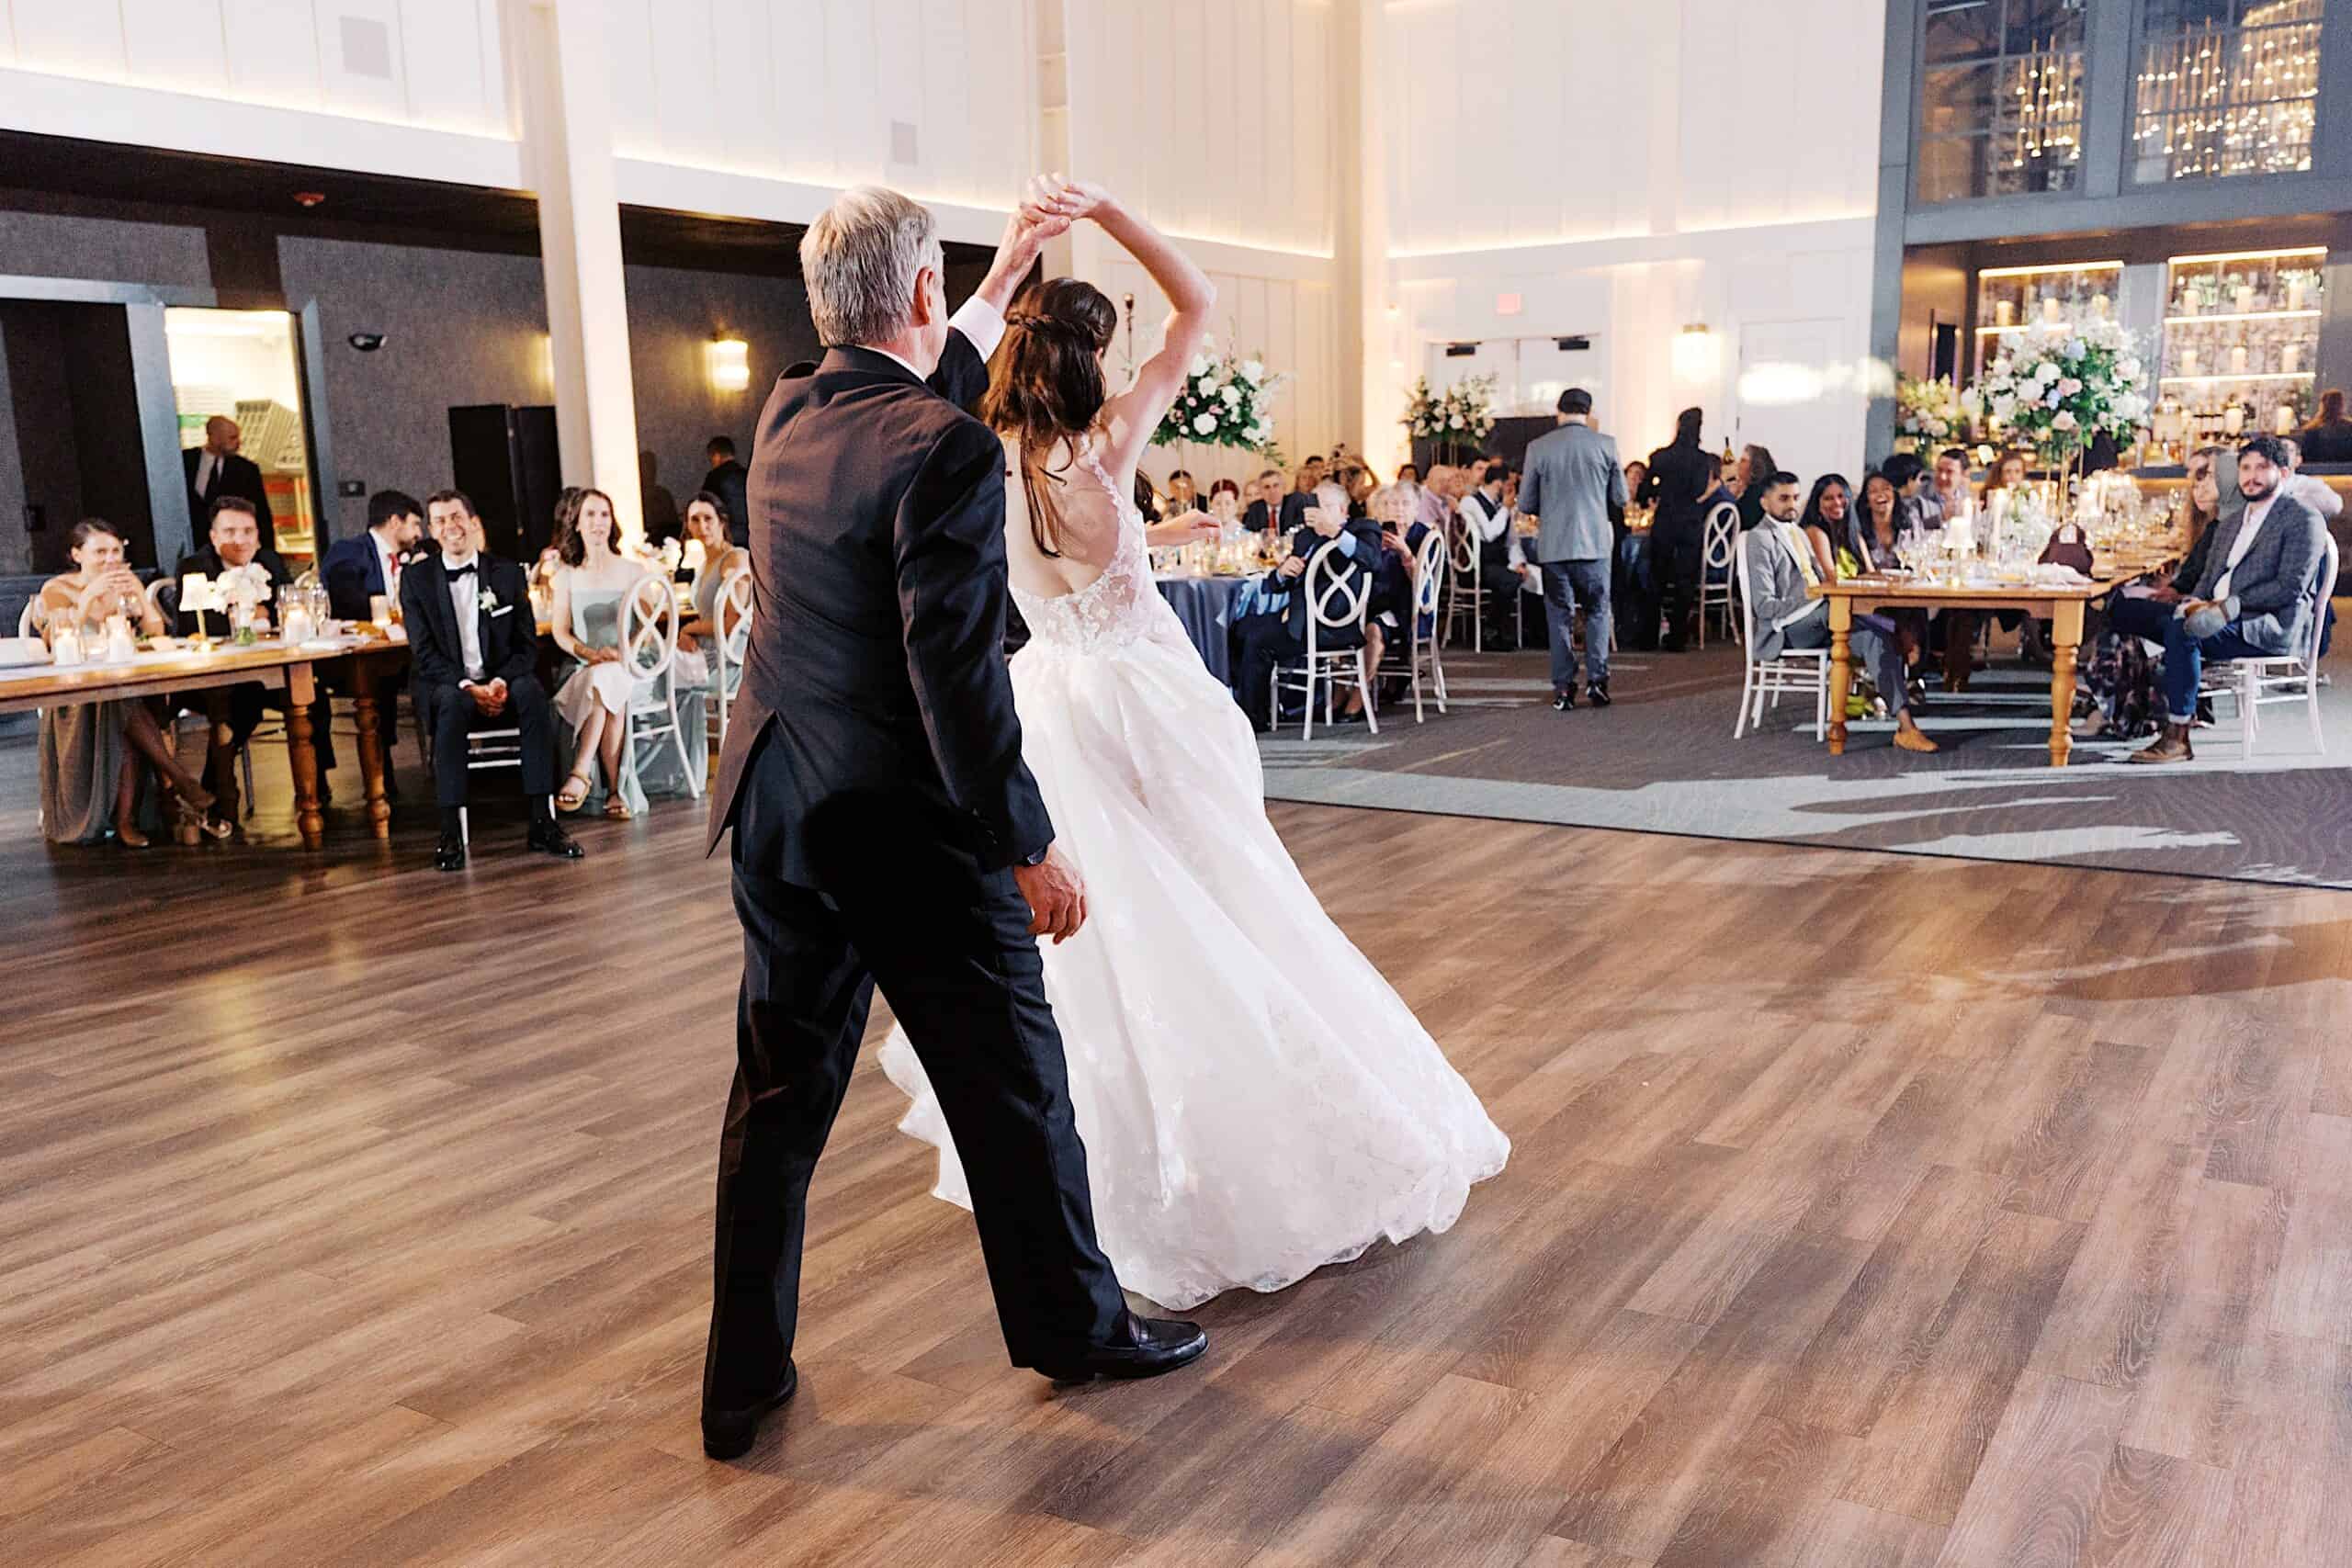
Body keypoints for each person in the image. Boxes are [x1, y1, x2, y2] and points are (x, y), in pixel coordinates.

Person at [873, 174, 1506, 1320]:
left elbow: (1064, 562)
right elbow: (1199, 302)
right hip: (1145, 699)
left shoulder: (977, 449)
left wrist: (1022, 257)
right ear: (1096, 366)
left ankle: (1110, 1180)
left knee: (1110, 949)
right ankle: (1267, 1147)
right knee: (1229, 902)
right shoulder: (1110, 439)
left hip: (1054, 700)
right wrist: (1106, 212)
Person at [701, 186, 1210, 1465]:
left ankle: (741, 1370)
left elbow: (925, 359)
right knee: (1016, 1090)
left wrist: (1005, 263)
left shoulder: (787, 411)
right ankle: (1076, 1326)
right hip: (906, 829)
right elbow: (958, 682)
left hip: (780, 807)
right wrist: (1028, 845)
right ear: (920, 297)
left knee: (776, 1098)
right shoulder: (946, 449)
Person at [2110, 435, 2326, 765]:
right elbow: (2208, 577)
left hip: (2262, 625)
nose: (2251, 476)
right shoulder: (2230, 523)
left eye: (2261, 468)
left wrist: (2229, 606)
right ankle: (2135, 708)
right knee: (2121, 608)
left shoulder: (2302, 518)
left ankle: (2178, 736)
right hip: (2211, 613)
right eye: (2245, 468)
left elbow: (2290, 587)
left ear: (2283, 474)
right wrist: (2194, 600)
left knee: (2186, 630)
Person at [400, 489, 582, 871]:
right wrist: (468, 686)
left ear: (473, 521)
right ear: (432, 530)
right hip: (449, 682)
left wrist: (499, 681)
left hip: (503, 677)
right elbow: (424, 651)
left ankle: (542, 820)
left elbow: (526, 646)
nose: (451, 526)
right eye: (441, 520)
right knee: (450, 703)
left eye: (457, 517)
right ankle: (451, 830)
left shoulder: (505, 573)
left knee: (532, 693)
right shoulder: (416, 579)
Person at [35, 519, 219, 845]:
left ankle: (130, 819)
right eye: (100, 552)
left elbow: (156, 634)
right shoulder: (57, 589)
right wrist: (88, 598)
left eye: (116, 551)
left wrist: (139, 595)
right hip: (75, 697)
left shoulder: (124, 585)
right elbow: (55, 639)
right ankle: (177, 781)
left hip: (121, 687)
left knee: (124, 702)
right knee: (123, 705)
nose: (110, 559)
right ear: (77, 554)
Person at [1741, 471, 1938, 753]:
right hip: (1785, 629)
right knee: (1844, 610)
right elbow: (1764, 607)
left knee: (1876, 640)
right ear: (1764, 502)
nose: (1791, 505)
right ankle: (1895, 632)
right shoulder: (1760, 539)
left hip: (1821, 622)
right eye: (1783, 499)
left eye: (1795, 497)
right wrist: (1814, 598)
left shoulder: (1796, 533)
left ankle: (1906, 728)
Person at [175, 496, 330, 813]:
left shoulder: (269, 562)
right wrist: (250, 614)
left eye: (248, 531)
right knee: (241, 703)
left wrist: (259, 615)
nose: (240, 539)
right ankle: (217, 789)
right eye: (230, 531)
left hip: (269, 668)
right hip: (214, 676)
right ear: (214, 536)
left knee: (312, 696)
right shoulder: (196, 567)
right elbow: (199, 625)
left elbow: (290, 608)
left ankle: (316, 781)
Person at [1230, 478, 1384, 729]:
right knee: (1239, 627)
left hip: (1336, 625)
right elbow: (1275, 585)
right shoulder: (1305, 537)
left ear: (1342, 510)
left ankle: (1252, 720)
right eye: (1314, 505)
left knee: (1258, 639)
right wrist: (1282, 573)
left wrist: (1334, 532)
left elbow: (1372, 561)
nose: (1317, 512)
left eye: (1325, 506)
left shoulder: (1363, 529)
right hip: (1300, 622)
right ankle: (1264, 708)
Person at [548, 487, 656, 819]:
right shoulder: (566, 575)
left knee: (610, 678)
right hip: (583, 665)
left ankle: (581, 772)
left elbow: (649, 627)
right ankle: (615, 790)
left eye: (604, 515)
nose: (598, 522)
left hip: (631, 666)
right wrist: (588, 652)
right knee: (604, 680)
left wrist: (625, 653)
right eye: (590, 515)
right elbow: (560, 632)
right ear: (577, 524)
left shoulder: (633, 570)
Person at [1518, 388, 1623, 709]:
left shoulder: (1538, 448)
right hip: (1595, 544)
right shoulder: (1606, 445)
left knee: (1559, 616)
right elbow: (1620, 498)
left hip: (1554, 546)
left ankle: (1564, 688)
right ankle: (1597, 681)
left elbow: (1526, 502)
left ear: (1559, 411)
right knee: (1597, 611)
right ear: (1588, 412)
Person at [322, 489, 427, 790]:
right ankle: (381, 771)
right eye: (415, 524)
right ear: (395, 521)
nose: (419, 533)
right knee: (381, 680)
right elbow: (345, 600)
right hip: (359, 654)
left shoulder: (413, 557)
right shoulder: (350, 551)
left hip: (402, 648)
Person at [1637, 406, 1713, 650]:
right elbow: (1698, 491)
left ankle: (1648, 635)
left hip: (1666, 521)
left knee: (1656, 578)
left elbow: (1644, 491)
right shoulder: (1702, 460)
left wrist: (1661, 491)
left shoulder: (1660, 457)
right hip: (1690, 523)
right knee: (1685, 581)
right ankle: (1677, 636)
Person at [183, 416, 277, 554]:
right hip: (193, 548)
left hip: (232, 550)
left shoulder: (246, 470)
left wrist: (268, 555)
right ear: (214, 437)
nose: (238, 443)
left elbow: (262, 515)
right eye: (232, 438)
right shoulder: (185, 462)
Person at [1457, 460, 1516, 647]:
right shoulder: (1471, 502)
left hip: (1496, 563)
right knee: (1508, 579)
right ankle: (1491, 630)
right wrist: (1505, 509)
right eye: (1510, 485)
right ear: (1500, 484)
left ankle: (1500, 629)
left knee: (1517, 576)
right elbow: (1489, 534)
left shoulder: (1497, 504)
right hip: (1476, 566)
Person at [705, 436, 752, 547]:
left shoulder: (714, 477)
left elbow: (706, 508)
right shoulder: (747, 475)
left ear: (716, 456)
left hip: (727, 538)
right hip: (750, 537)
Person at [639, 451, 683, 547]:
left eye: (651, 468)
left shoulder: (663, 494)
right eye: (645, 468)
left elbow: (673, 523)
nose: (649, 472)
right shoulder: (634, 496)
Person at [1735, 443, 1781, 532]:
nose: (1738, 464)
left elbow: (1737, 522)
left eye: (1743, 461)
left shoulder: (1755, 493)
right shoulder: (1769, 487)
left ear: (1755, 466)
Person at [2301, 387, 2352, 465]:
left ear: (2322, 405)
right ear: (2342, 405)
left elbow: (2307, 457)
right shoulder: (2349, 428)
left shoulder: (2311, 429)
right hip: (2346, 472)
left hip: (2317, 471)